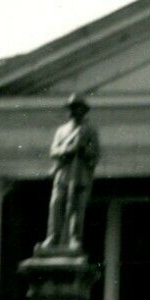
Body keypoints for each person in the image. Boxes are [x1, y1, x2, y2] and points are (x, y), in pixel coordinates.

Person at [38, 93, 100, 255]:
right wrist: (68, 149)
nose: (75, 111)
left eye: (78, 108)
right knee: (56, 204)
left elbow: (95, 154)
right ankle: (53, 237)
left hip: (80, 174)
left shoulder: (89, 130)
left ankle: (75, 238)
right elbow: (54, 151)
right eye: (72, 108)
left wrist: (85, 150)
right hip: (64, 173)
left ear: (84, 111)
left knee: (76, 207)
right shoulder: (61, 131)